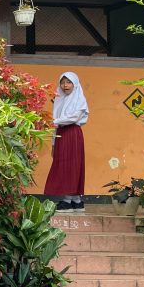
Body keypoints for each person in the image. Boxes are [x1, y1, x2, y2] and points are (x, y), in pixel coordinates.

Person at [43, 72, 89, 211]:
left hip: (72, 134)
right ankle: (76, 201)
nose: (65, 85)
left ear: (75, 84)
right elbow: (56, 124)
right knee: (64, 165)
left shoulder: (79, 99)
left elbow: (74, 117)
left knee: (72, 165)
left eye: (68, 82)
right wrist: (53, 144)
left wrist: (55, 121)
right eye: (62, 82)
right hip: (61, 134)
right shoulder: (59, 99)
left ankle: (68, 201)